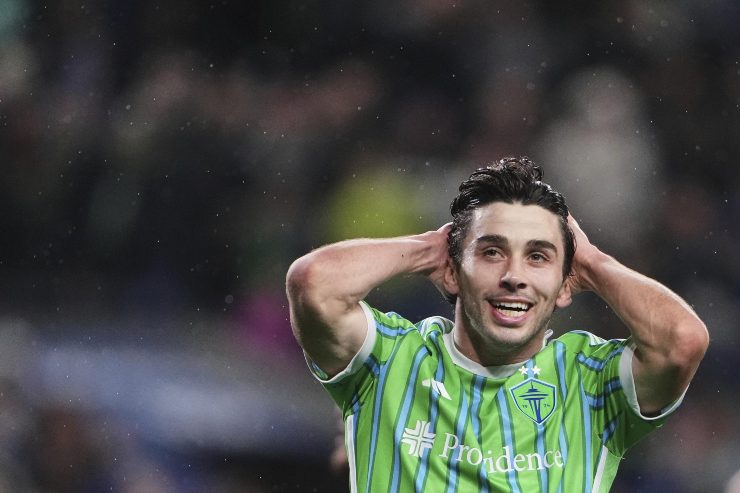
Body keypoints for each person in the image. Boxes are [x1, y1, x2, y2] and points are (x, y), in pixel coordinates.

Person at [285, 157, 708, 492]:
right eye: (491, 252)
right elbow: (313, 284)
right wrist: (428, 248)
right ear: (453, 272)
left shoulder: (591, 382)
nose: (514, 275)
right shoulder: (389, 359)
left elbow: (682, 341)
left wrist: (594, 263)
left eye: (538, 256)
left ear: (566, 284)